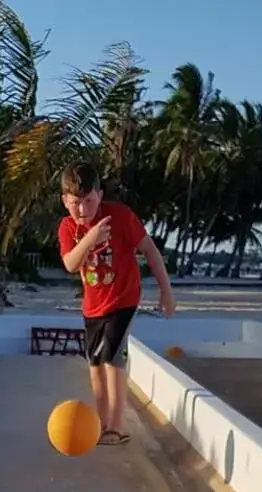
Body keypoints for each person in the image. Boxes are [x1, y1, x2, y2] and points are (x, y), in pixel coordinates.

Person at [58, 163, 175, 446]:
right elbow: (71, 264)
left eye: (89, 201)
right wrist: (91, 237)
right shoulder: (67, 227)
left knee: (112, 356)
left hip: (124, 298)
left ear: (99, 195)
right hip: (93, 306)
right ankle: (101, 425)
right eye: (76, 203)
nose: (83, 210)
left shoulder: (120, 216)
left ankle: (116, 427)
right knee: (96, 364)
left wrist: (166, 291)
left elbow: (150, 250)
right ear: (65, 201)